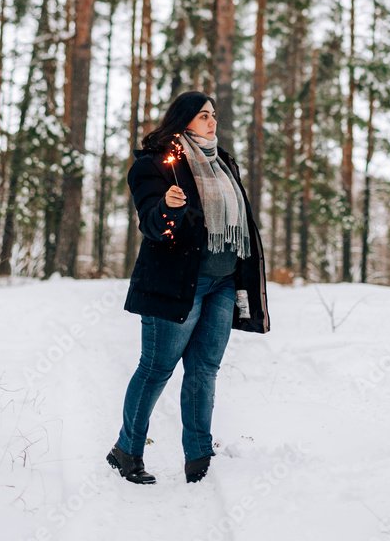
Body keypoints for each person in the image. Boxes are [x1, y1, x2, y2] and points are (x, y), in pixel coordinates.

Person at [106, 91, 270, 486]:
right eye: (202, 116)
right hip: (177, 284)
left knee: (204, 371)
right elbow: (151, 225)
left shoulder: (223, 162)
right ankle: (126, 450)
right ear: (182, 121)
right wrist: (168, 208)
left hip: (223, 282)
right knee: (156, 369)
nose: (212, 122)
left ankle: (199, 456)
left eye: (214, 114)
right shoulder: (154, 165)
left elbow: (242, 225)